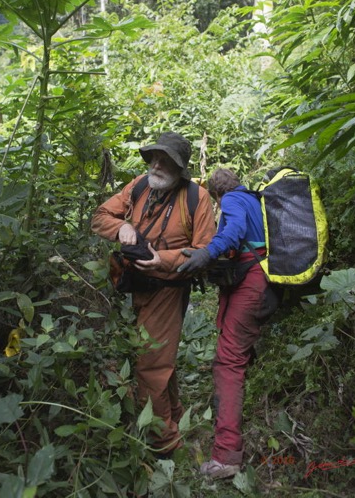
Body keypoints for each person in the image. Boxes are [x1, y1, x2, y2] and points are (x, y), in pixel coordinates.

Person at [91, 132, 216, 457]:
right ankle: (172, 416)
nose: (157, 165)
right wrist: (121, 228)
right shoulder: (139, 185)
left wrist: (165, 259)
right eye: (154, 157)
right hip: (135, 286)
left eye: (167, 160)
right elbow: (100, 216)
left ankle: (164, 445)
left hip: (168, 290)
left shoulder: (196, 197)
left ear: (179, 167)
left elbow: (205, 251)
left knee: (150, 364)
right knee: (157, 360)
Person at [178, 167, 279, 479]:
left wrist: (206, 253)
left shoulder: (233, 201)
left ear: (217, 194)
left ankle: (226, 456)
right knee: (236, 353)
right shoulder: (254, 199)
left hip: (252, 285)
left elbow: (233, 232)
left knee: (228, 362)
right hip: (264, 283)